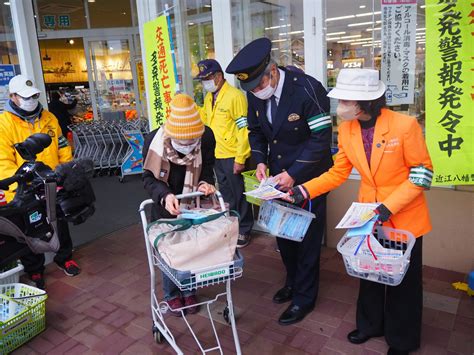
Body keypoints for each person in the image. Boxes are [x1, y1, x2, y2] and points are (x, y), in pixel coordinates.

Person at [285, 68, 432, 355]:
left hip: (402, 215)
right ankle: (369, 325)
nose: (339, 107)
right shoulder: (348, 130)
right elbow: (338, 172)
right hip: (367, 216)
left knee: (403, 281)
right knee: (369, 272)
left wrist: (388, 207)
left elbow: (422, 174)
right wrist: (303, 190)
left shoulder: (404, 126)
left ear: (364, 103)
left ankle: (402, 340)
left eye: (345, 101)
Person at [226, 38, 333, 325]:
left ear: (272, 71)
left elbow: (321, 140)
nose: (257, 92)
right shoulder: (254, 93)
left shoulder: (307, 89)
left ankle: (304, 298)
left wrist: (294, 174)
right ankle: (293, 281)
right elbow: (256, 131)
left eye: (260, 85)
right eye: (251, 88)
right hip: (276, 177)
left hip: (308, 177)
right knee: (284, 234)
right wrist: (260, 160)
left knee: (308, 238)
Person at [0, 75, 82, 289]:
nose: (32, 99)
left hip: (53, 181)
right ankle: (34, 270)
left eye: (35, 95)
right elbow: (3, 160)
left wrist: (66, 173)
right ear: (13, 97)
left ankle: (64, 257)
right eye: (26, 96)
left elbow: (62, 146)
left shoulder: (49, 118)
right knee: (28, 231)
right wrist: (16, 188)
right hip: (25, 187)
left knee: (60, 222)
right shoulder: (4, 123)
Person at [142, 93, 217, 316]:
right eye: (182, 142)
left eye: (192, 142)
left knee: (192, 246)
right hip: (165, 203)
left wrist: (206, 183)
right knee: (169, 250)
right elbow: (147, 178)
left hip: (193, 203)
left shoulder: (206, 136)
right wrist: (165, 195)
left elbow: (208, 166)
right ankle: (172, 294)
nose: (188, 146)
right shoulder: (154, 140)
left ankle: (189, 288)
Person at [195, 59, 253, 248]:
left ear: (218, 77)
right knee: (226, 193)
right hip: (216, 154)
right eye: (203, 80)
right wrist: (193, 107)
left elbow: (243, 129)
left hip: (233, 154)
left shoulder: (235, 96)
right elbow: (206, 119)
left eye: (208, 78)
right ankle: (231, 224)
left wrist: (240, 158)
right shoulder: (210, 97)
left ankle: (244, 229)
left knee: (239, 193)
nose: (205, 83)